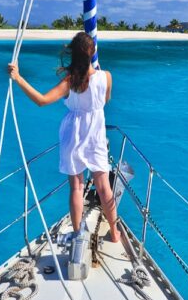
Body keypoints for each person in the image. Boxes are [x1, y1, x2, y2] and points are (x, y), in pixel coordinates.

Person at [7, 32, 121, 243]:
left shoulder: (70, 82)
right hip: (96, 133)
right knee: (104, 186)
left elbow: (41, 100)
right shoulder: (106, 76)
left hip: (73, 135)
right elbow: (105, 100)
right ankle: (115, 234)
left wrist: (19, 78)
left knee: (76, 187)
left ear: (72, 53)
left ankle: (78, 235)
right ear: (93, 51)